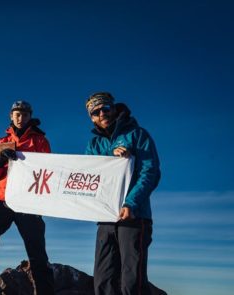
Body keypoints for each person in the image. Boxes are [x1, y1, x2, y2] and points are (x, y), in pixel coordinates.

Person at [0, 101, 55, 295]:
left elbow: (48, 171)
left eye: (24, 114)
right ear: (11, 116)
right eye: (17, 114)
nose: (20, 117)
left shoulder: (40, 141)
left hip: (28, 201)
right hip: (2, 198)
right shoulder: (0, 142)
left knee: (37, 253)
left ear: (29, 116)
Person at [84, 92, 161, 295]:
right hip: (105, 217)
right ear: (92, 117)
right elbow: (88, 174)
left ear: (114, 108)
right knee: (103, 277)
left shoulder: (137, 134)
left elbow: (150, 173)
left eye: (105, 108)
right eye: (96, 112)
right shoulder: (93, 145)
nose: (102, 113)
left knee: (132, 278)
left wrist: (131, 203)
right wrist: (112, 156)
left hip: (134, 216)